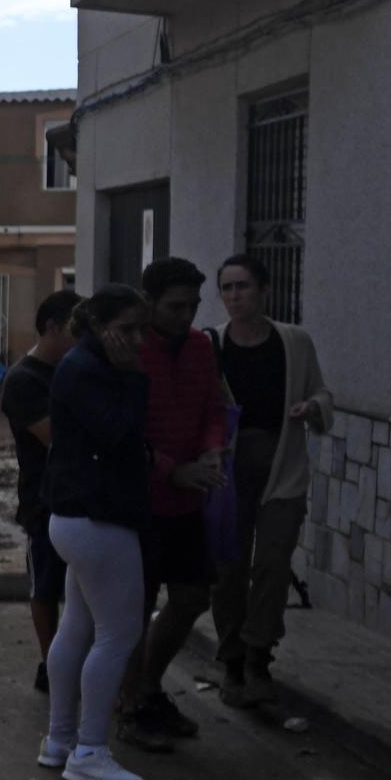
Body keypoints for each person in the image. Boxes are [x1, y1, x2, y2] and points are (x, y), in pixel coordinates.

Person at [42, 283, 154, 780]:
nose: (136, 340)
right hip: (98, 519)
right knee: (118, 634)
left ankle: (60, 741)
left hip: (74, 518)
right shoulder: (93, 371)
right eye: (127, 329)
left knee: (78, 629)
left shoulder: (82, 366)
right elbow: (119, 434)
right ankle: (89, 749)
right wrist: (134, 380)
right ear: (100, 326)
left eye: (140, 330)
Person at [209, 255, 332, 706]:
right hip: (229, 475)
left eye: (243, 286)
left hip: (283, 469)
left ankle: (260, 656)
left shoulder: (294, 342)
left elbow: (320, 391)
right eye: (227, 288)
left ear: (263, 290)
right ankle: (233, 663)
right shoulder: (213, 345)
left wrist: (313, 409)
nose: (235, 296)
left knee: (272, 565)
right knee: (228, 570)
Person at [116, 257, 227, 752]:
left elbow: (214, 409)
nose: (186, 315)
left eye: (193, 306)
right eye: (175, 306)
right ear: (150, 304)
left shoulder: (203, 348)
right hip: (140, 502)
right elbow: (122, 434)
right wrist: (170, 469)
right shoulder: (131, 353)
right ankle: (129, 706)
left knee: (191, 599)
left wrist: (211, 448)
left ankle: (149, 687)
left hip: (187, 502)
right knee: (134, 610)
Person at [0, 289, 81, 695]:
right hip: (43, 501)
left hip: (81, 500)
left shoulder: (76, 369)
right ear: (51, 327)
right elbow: (56, 437)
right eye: (74, 329)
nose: (81, 339)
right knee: (46, 587)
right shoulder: (23, 380)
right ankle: (51, 664)